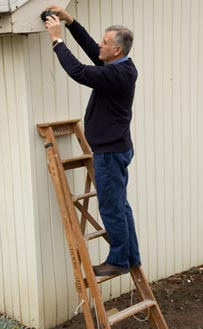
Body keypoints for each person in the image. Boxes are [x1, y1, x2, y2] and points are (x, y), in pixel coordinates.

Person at [44, 6, 141, 276]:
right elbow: (90, 47)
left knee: (111, 209)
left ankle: (119, 261)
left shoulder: (116, 75)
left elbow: (78, 71)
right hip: (116, 148)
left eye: (106, 42)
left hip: (110, 153)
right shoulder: (119, 65)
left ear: (117, 50)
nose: (101, 44)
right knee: (120, 206)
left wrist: (56, 39)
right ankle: (131, 256)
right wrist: (71, 21)